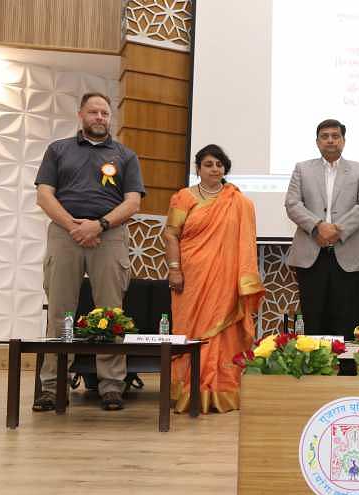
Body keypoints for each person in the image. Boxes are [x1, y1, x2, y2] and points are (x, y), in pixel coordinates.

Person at [33, 92, 145, 412]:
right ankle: (52, 387)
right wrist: (75, 227)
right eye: (94, 112)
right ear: (80, 115)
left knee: (110, 313)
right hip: (64, 234)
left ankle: (111, 386)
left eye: (105, 113)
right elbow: (44, 196)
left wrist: (99, 225)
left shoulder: (125, 156)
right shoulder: (58, 150)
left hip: (109, 236)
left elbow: (133, 202)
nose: (100, 117)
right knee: (60, 313)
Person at [163, 144, 265, 413]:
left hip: (226, 280)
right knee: (191, 332)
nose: (215, 169)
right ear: (198, 169)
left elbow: (244, 244)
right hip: (192, 277)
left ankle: (221, 390)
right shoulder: (184, 197)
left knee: (224, 333)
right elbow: (171, 234)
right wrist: (174, 269)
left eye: (219, 165)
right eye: (208, 164)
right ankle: (188, 389)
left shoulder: (239, 202)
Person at [284, 119, 359, 338]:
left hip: (348, 253)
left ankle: (344, 361)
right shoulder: (302, 169)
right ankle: (315, 360)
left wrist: (337, 230)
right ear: (317, 142)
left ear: (343, 141)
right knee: (313, 318)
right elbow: (292, 204)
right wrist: (317, 226)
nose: (330, 140)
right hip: (310, 253)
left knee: (346, 319)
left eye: (335, 136)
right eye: (325, 136)